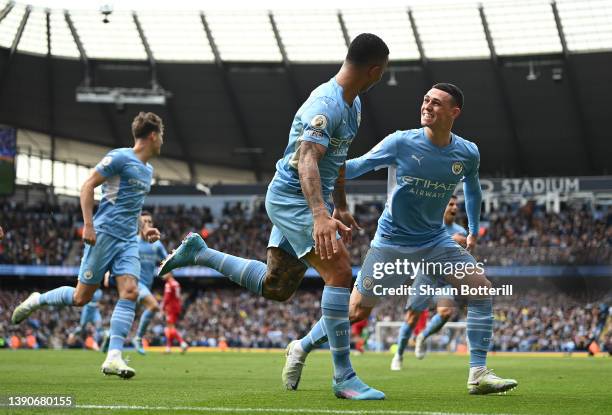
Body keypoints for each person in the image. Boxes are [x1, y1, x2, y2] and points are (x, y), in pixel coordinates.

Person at [159, 33, 389, 399]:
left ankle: (200, 253)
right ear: (375, 70)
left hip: (310, 199)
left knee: (276, 287)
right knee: (341, 272)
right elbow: (309, 158)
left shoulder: (353, 105)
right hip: (292, 199)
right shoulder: (326, 103)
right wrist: (319, 215)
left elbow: (337, 158)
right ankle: (343, 377)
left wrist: (340, 206)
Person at [289, 83, 518, 395]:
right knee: (356, 312)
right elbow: (356, 167)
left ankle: (478, 373)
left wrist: (474, 229)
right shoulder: (400, 142)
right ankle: (300, 347)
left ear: (454, 112)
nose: (427, 106)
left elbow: (473, 189)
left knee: (480, 290)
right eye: (425, 100)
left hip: (436, 241)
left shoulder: (467, 152)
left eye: (436, 103)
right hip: (392, 242)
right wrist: (320, 161)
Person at [11, 112, 164, 379]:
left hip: (128, 240)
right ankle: (38, 300)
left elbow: (133, 207)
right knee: (81, 298)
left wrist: (145, 228)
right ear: (152, 135)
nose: (163, 141)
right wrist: (88, 225)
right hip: (104, 234)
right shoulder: (119, 157)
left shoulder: (148, 171)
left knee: (129, 292)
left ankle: (114, 357)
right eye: (161, 135)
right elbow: (87, 186)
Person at [391, 195, 466, 370]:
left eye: (456, 204)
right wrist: (450, 241)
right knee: (411, 319)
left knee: (446, 312)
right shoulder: (430, 227)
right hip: (426, 276)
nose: (454, 207)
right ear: (442, 206)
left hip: (445, 278)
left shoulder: (461, 231)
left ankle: (422, 336)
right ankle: (399, 354)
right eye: (450, 204)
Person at [132, 211, 169, 355]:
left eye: (149, 222)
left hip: (147, 285)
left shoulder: (157, 245)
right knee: (154, 306)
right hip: (134, 283)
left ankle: (109, 336)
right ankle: (138, 338)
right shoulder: (132, 241)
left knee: (126, 317)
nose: (147, 224)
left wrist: (167, 272)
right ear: (139, 225)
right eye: (144, 221)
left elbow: (166, 261)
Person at [161, 273, 188, 354]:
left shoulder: (168, 284)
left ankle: (182, 343)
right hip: (177, 306)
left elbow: (166, 298)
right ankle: (168, 348)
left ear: (169, 274)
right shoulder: (176, 283)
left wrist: (162, 307)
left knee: (171, 327)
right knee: (169, 328)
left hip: (170, 307)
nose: (162, 275)